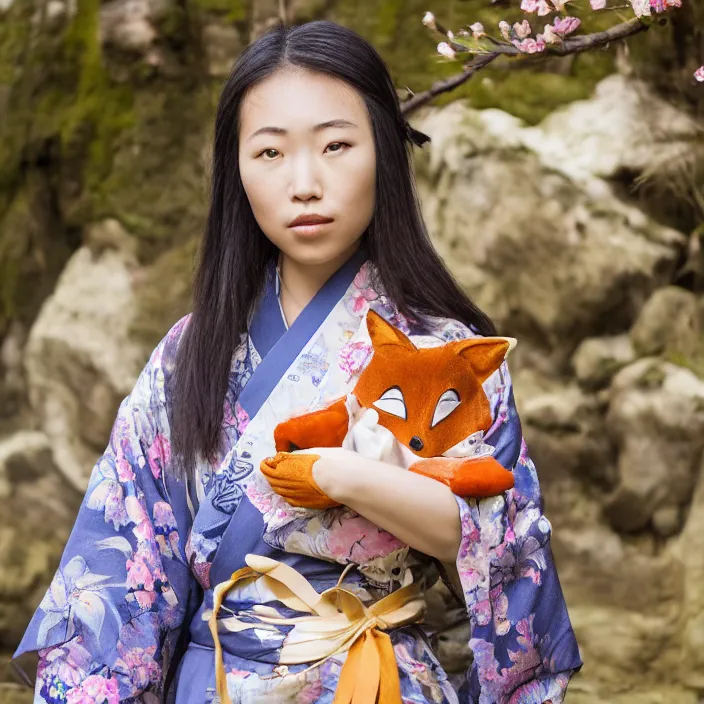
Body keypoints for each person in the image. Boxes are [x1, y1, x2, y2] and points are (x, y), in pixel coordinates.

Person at [11, 19, 583, 704]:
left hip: (375, 680)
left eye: (337, 145)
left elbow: (503, 551)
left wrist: (344, 476)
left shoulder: (449, 352)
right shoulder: (188, 356)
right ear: (237, 172)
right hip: (217, 679)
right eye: (271, 153)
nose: (305, 183)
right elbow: (121, 562)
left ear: (385, 154)